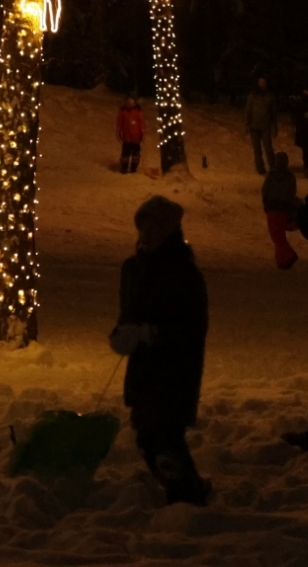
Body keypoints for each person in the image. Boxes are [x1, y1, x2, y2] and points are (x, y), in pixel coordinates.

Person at [108, 196, 212, 506]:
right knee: (147, 435)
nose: (147, 233)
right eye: (143, 226)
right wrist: (123, 335)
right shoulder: (134, 269)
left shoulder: (184, 274)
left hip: (175, 370)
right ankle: (186, 491)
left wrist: (152, 334)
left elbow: (192, 329)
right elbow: (128, 315)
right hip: (144, 371)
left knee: (165, 437)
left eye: (154, 226)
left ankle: (187, 496)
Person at [261, 151, 301, 269]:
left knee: (277, 237)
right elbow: (292, 192)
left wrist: (266, 203)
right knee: (279, 236)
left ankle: (289, 255)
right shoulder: (290, 177)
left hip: (273, 208)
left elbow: (265, 191)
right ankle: (281, 261)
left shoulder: (271, 176)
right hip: (284, 209)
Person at [244, 75, 278, 175]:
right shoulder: (252, 96)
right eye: (260, 82)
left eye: (263, 82)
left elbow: (273, 112)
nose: (262, 84)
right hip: (254, 127)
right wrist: (247, 124)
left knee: (268, 148)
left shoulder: (270, 96)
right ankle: (260, 169)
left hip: (266, 126)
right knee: (257, 149)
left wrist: (274, 126)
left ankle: (273, 167)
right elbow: (248, 110)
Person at [117, 96, 146, 174]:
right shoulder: (123, 111)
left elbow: (141, 122)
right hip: (126, 136)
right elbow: (120, 122)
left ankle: (134, 167)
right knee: (125, 153)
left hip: (136, 136)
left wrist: (142, 132)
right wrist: (119, 131)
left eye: (131, 101)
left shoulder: (138, 111)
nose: (130, 102)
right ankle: (124, 167)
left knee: (135, 153)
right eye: (128, 100)